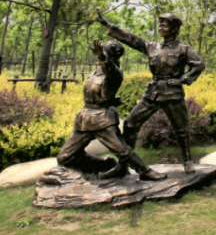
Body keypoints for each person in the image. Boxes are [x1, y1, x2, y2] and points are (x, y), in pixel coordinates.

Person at [97, 11, 205, 174]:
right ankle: (124, 164)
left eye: (165, 25)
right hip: (152, 93)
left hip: (172, 94)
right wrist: (107, 25)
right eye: (160, 24)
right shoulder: (152, 47)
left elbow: (198, 64)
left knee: (181, 129)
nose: (161, 27)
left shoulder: (183, 49)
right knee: (130, 123)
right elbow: (131, 39)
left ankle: (188, 161)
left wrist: (182, 79)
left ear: (174, 29)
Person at [56, 39, 164, 181]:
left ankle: (145, 171)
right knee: (65, 157)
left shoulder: (114, 73)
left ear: (111, 57)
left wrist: (102, 57)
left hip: (102, 119)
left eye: (104, 53)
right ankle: (104, 164)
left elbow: (109, 69)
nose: (99, 55)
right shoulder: (96, 73)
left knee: (122, 150)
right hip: (85, 118)